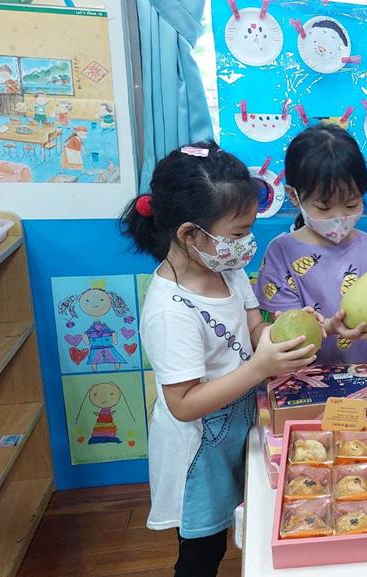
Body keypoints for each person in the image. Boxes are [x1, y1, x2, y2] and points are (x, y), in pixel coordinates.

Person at [121, 142, 317, 577]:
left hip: (242, 423)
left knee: (255, 514)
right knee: (203, 550)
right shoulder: (170, 310)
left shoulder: (227, 270)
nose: (246, 244)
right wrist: (260, 367)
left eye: (249, 230)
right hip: (199, 448)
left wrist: (296, 332)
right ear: (190, 234)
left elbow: (254, 330)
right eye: (237, 233)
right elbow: (183, 403)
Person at [255, 124, 367, 364]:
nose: (338, 217)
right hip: (300, 378)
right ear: (294, 196)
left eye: (351, 204)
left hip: (360, 376)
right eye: (324, 207)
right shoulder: (282, 252)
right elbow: (287, 331)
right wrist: (330, 327)